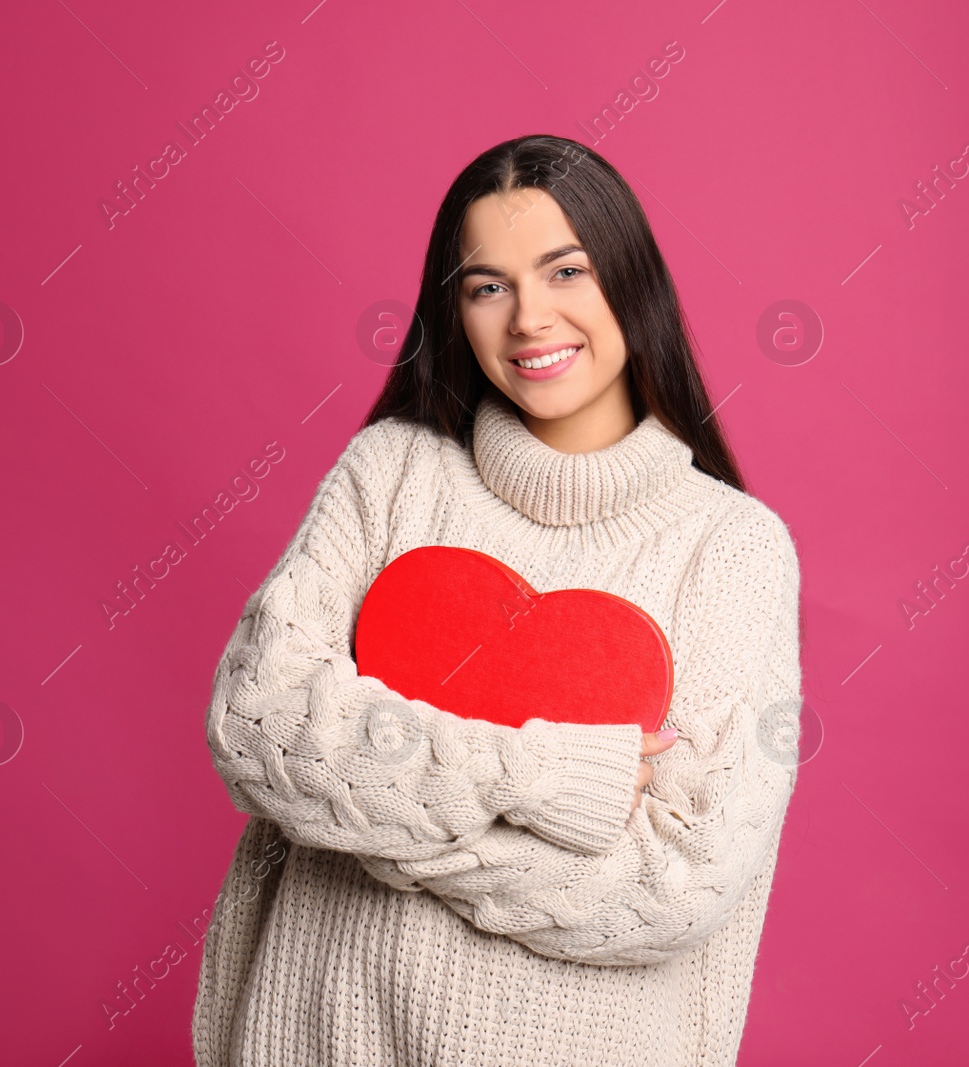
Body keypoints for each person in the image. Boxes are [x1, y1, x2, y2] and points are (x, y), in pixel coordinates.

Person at [192, 133, 804, 1067]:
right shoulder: (391, 473)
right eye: (488, 286)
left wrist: (363, 810)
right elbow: (257, 722)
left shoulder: (731, 549)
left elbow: (677, 884)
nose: (529, 317)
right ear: (456, 311)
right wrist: (555, 775)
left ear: (632, 283)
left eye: (566, 271)